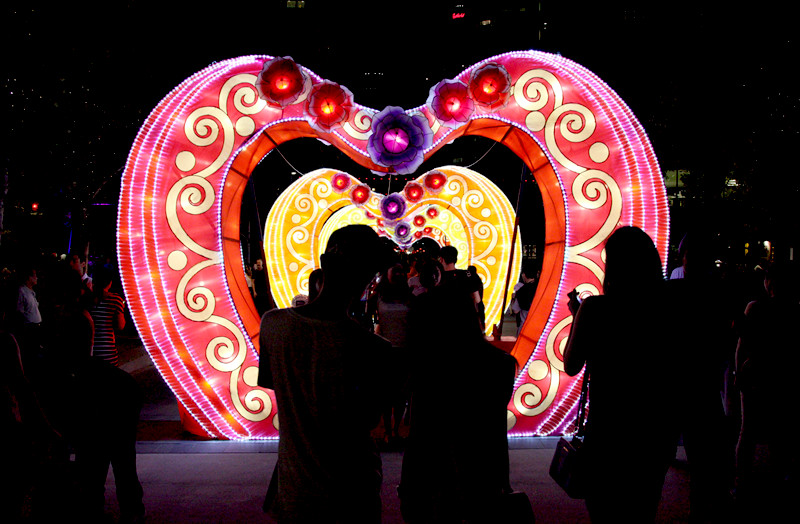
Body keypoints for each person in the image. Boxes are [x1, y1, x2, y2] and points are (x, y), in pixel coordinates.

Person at [257, 225, 390, 523]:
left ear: (323, 264)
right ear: (369, 279)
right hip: (352, 491)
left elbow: (273, 384)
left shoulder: (273, 326)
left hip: (295, 488)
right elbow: (367, 420)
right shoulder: (374, 348)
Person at [563, 226, 678, 523]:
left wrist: (579, 319)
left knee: (606, 512)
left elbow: (572, 364)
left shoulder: (597, 309)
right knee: (643, 509)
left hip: (608, 429)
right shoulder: (668, 307)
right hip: (655, 427)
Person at [400, 280, 518, 523]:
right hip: (483, 468)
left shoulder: (426, 367)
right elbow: (494, 425)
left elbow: (421, 427)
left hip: (431, 470)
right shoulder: (500, 365)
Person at [734, 261, 799, 518]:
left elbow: (743, 345)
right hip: (780, 377)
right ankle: (777, 483)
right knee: (779, 432)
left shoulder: (755, 308)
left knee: (747, 432)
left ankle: (742, 485)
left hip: (755, 375)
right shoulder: (794, 311)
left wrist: (739, 372)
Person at [374, 262, 412, 446]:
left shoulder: (408, 297)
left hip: (400, 351)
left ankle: (394, 429)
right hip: (387, 351)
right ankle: (390, 430)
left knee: (398, 395)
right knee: (389, 395)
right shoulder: (381, 297)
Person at [88, 268, 126, 366]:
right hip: (107, 351)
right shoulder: (116, 300)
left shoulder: (88, 299)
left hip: (90, 349)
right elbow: (121, 326)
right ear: (110, 282)